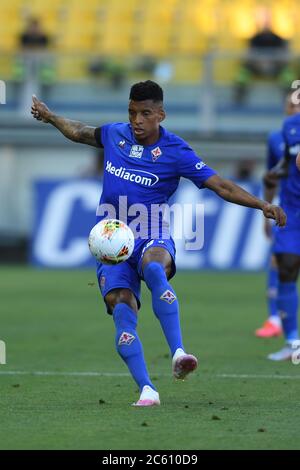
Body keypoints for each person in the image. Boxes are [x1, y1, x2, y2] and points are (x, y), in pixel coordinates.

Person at [31, 80, 286, 405]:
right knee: (121, 306)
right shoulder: (114, 135)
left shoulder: (176, 151)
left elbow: (220, 185)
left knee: (154, 266)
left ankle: (178, 352)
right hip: (111, 243)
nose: (137, 120)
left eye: (145, 113)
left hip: (152, 233)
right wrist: (51, 117)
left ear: (160, 115)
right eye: (132, 112)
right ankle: (147, 389)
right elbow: (79, 131)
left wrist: (262, 205)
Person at [255, 93, 300, 338]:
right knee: (281, 264)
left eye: (298, 105)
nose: (294, 109)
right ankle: (278, 323)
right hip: (291, 212)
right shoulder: (277, 137)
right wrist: (267, 209)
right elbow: (274, 173)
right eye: (291, 105)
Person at [234, 18, 293, 104]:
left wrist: (273, 63)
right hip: (257, 66)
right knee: (243, 71)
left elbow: (284, 55)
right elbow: (250, 54)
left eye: (267, 22)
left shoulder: (278, 39)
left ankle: (290, 99)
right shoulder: (255, 39)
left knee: (287, 72)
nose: (265, 25)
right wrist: (259, 63)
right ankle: (238, 97)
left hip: (275, 67)